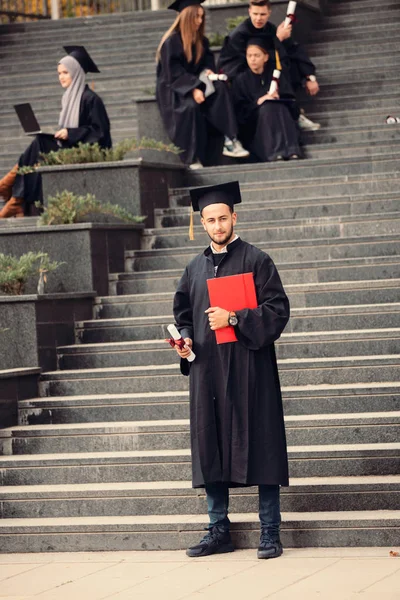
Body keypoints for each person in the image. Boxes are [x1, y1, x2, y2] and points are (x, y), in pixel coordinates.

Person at [170, 181, 290, 559]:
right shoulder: (193, 269)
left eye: (223, 218)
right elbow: (183, 315)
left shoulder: (257, 260)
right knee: (212, 448)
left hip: (251, 369)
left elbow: (277, 311)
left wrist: (235, 317)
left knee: (263, 445)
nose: (218, 225)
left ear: (234, 217)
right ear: (201, 223)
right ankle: (218, 530)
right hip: (208, 371)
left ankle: (270, 531)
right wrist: (184, 340)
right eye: (210, 220)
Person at [0, 46, 111, 219]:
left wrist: (70, 133)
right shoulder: (67, 98)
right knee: (40, 143)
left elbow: (100, 133)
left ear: (76, 73)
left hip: (85, 151)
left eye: (65, 72)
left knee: (40, 144)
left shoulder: (91, 99)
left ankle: (12, 195)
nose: (61, 77)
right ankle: (14, 197)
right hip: (70, 146)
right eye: (59, 73)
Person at [156, 0, 249, 169]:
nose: (199, 21)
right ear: (186, 17)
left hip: (197, 83)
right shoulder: (171, 42)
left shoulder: (202, 42)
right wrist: (193, 89)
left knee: (220, 89)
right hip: (175, 90)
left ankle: (230, 139)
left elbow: (207, 64)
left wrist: (209, 73)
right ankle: (192, 158)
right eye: (196, 17)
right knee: (189, 108)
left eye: (201, 16)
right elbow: (173, 74)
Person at [218, 0, 321, 131]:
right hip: (246, 79)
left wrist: (309, 77)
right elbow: (250, 63)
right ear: (249, 11)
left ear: (269, 13)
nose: (258, 18)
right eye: (255, 14)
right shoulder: (239, 35)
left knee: (288, 61)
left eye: (262, 14)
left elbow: (294, 50)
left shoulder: (271, 29)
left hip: (269, 74)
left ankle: (294, 112)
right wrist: (277, 40)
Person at [232, 38, 301, 162]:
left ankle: (291, 150)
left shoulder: (276, 75)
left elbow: (293, 106)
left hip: (281, 118)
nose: (252, 59)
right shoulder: (240, 80)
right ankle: (277, 151)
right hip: (256, 128)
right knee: (267, 107)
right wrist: (258, 102)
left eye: (257, 55)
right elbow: (240, 113)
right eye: (249, 56)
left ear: (266, 57)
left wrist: (277, 97)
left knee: (277, 106)